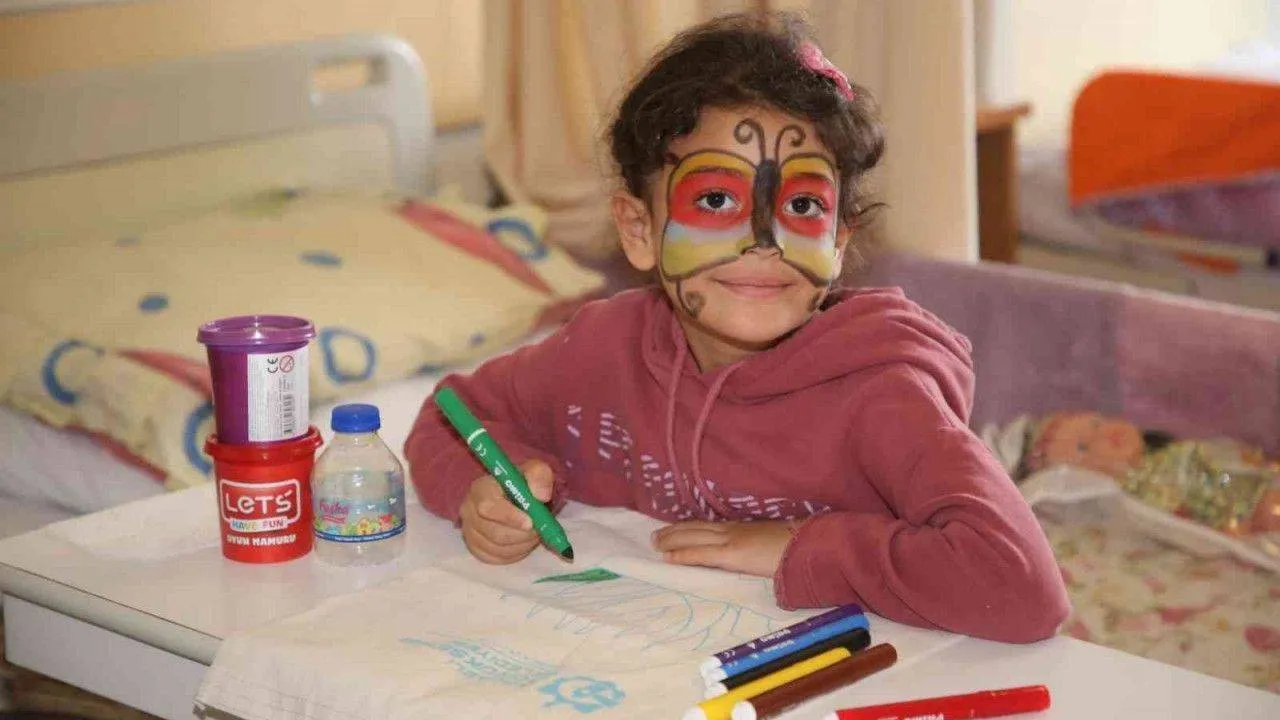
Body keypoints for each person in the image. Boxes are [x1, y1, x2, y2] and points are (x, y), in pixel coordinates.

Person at [405, 12, 1069, 643]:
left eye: (802, 205)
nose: (764, 241)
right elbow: (450, 416)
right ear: (638, 229)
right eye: (717, 198)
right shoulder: (602, 346)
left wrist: (802, 548)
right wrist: (488, 493)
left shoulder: (883, 393)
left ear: (838, 243)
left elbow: (1022, 588)